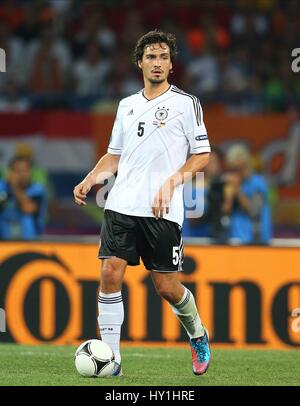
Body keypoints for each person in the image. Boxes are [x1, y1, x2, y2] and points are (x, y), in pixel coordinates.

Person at [73, 30, 211, 376]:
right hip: (121, 204)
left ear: (171, 64)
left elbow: (203, 155)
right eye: (151, 56)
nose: (158, 63)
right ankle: (113, 358)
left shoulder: (186, 103)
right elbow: (114, 155)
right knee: (109, 271)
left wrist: (172, 181)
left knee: (166, 286)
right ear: (140, 63)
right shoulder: (127, 105)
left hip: (163, 211)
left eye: (164, 57)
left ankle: (197, 334)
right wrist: (91, 178)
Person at [224, 144, 272, 244]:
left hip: (256, 240)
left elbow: (254, 210)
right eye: (232, 169)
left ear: (246, 165)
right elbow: (225, 211)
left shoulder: (257, 183)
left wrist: (237, 189)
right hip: (235, 239)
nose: (235, 173)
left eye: (238, 168)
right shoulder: (231, 185)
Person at [0, 156, 47, 240]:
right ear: (11, 172)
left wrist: (14, 187)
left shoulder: (37, 189)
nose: (22, 174)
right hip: (4, 243)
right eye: (18, 170)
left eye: (25, 170)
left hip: (31, 243)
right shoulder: (2, 187)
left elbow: (28, 209)